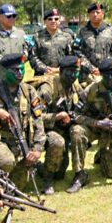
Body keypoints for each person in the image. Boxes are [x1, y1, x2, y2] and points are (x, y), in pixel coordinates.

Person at [0, 52, 46, 191]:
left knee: (18, 189)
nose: (20, 73)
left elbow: (38, 121)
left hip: (23, 144)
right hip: (1, 143)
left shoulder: (29, 91)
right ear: (5, 71)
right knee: (6, 161)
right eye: (15, 70)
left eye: (22, 69)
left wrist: (36, 150)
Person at [76, 59, 112, 181]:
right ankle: (79, 173)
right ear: (101, 75)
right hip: (94, 128)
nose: (110, 78)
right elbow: (75, 115)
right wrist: (96, 123)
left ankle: (101, 154)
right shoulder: (91, 91)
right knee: (76, 131)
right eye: (106, 75)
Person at [37, 57, 88, 192]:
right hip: (46, 131)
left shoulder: (75, 86)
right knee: (57, 141)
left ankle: (79, 174)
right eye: (69, 71)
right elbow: (35, 117)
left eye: (75, 72)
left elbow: (84, 105)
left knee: (60, 174)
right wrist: (57, 116)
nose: (72, 75)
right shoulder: (48, 88)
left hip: (64, 130)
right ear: (61, 72)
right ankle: (47, 181)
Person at [0, 4, 30, 85]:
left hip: (16, 78)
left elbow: (26, 50)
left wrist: (22, 58)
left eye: (14, 16)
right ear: (0, 17)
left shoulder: (20, 33)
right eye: (8, 16)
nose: (12, 18)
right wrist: (4, 60)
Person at [75, 2, 112, 80]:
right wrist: (90, 67)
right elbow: (76, 50)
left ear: (102, 14)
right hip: (86, 74)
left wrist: (104, 67)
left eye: (97, 12)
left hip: (107, 74)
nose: (95, 14)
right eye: (92, 12)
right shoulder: (81, 32)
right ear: (89, 15)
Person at [31, 9, 74, 77]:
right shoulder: (37, 37)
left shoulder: (67, 37)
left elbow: (71, 56)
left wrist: (59, 69)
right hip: (42, 75)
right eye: (50, 19)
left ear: (59, 21)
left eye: (56, 19)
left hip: (62, 74)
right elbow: (32, 57)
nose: (53, 21)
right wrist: (45, 69)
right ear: (45, 21)